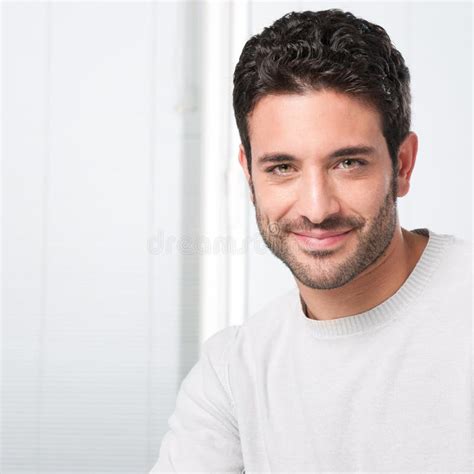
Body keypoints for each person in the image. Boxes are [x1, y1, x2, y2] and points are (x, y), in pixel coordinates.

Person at [152, 9, 472, 472]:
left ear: (402, 165)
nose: (317, 209)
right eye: (282, 167)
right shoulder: (231, 376)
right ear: (249, 176)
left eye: (348, 163)